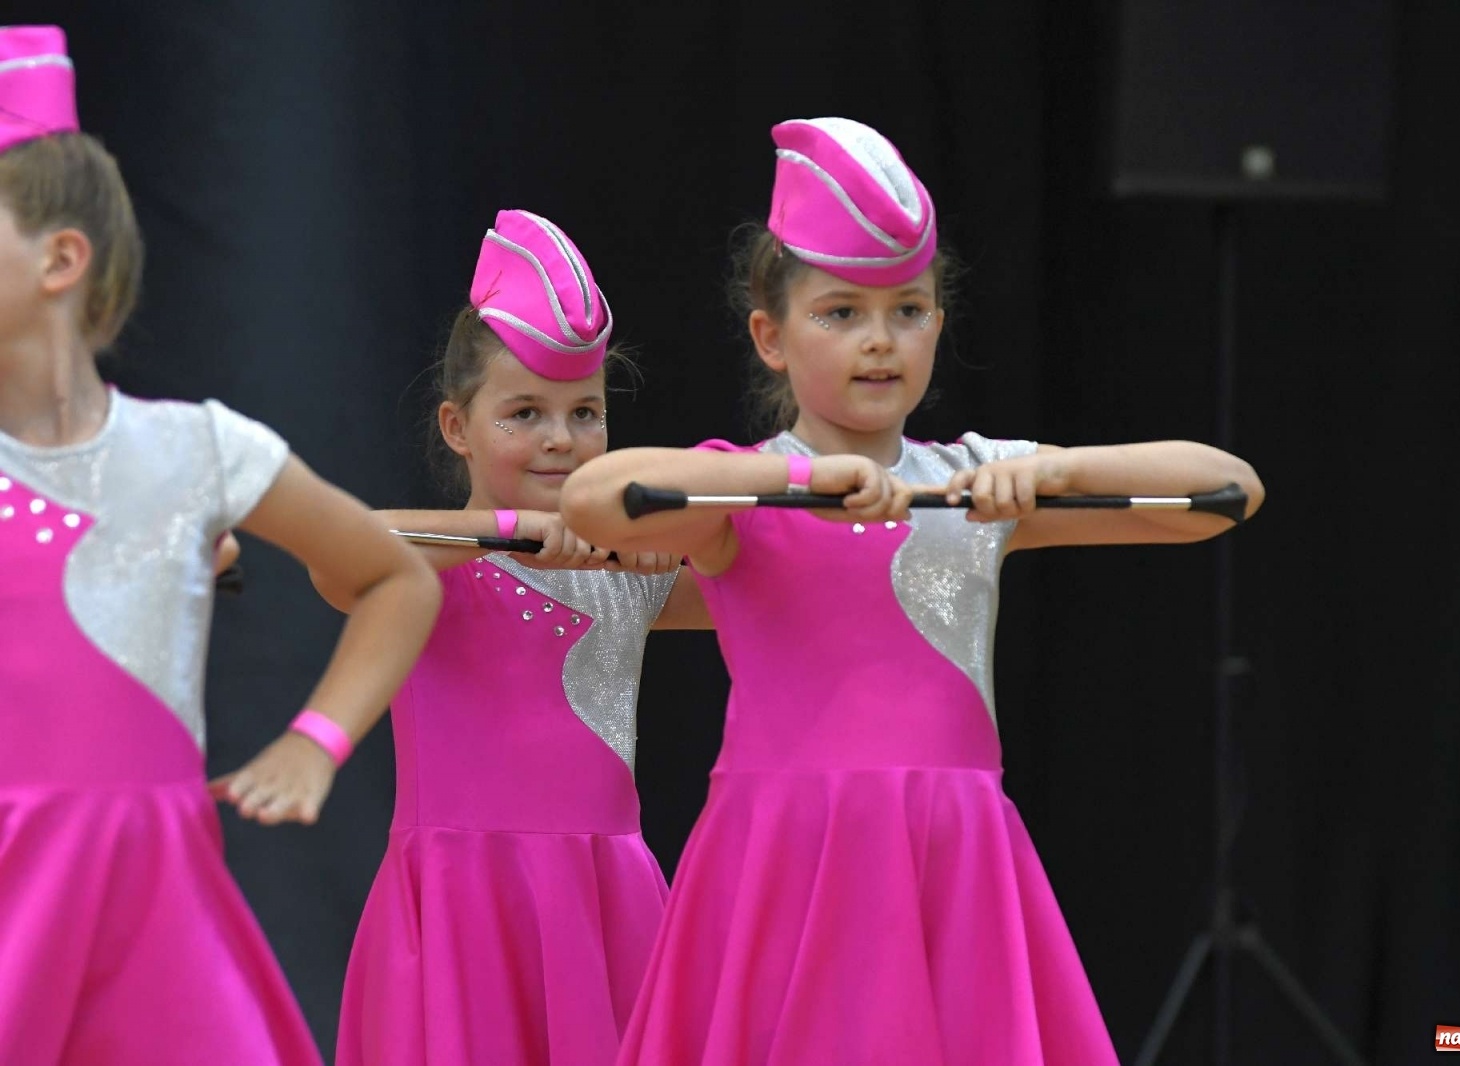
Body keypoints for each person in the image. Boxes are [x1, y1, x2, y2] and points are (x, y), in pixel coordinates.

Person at [561, 116, 1265, 1065]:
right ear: (770, 336)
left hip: (952, 857)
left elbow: (1225, 491)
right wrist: (803, 484)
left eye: (910, 309)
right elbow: (597, 499)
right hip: (785, 860)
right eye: (840, 313)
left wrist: (1050, 475)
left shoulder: (971, 482)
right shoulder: (740, 489)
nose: (880, 341)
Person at [0, 24, 441, 1065]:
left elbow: (395, 576)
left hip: (156, 913)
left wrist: (317, 741)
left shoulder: (197, 451)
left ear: (63, 258)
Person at [329, 210, 706, 1066]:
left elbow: (771, 591)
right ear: (457, 428)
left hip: (609, 908)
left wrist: (661, 532)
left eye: (586, 413)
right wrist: (511, 531)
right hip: (464, 912)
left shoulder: (628, 572)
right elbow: (344, 546)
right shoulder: (425, 570)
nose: (560, 440)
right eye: (524, 413)